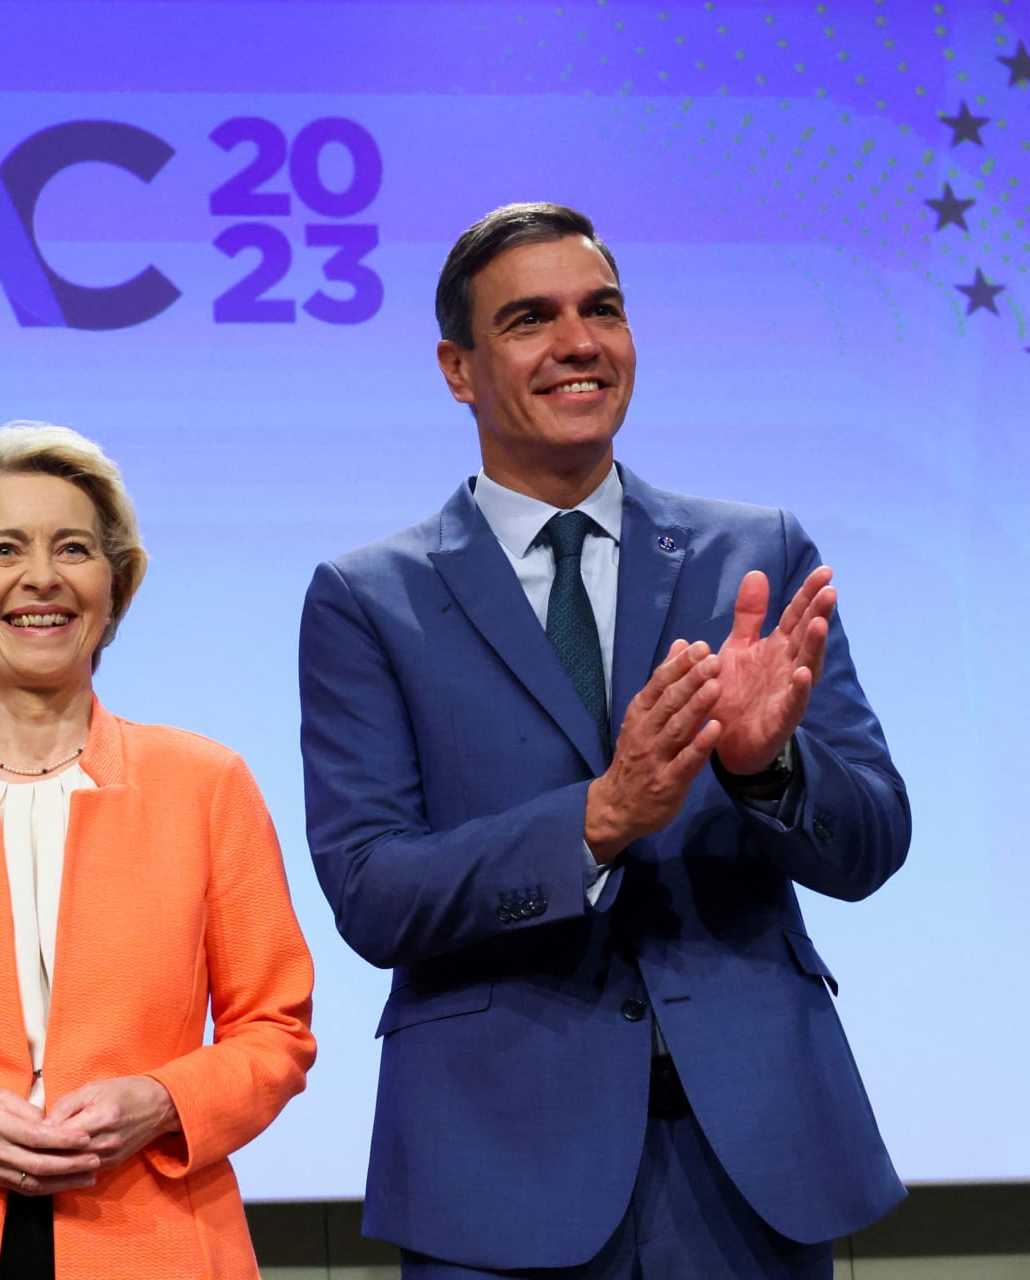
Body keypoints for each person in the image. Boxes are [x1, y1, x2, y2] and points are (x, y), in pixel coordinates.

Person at [298, 204, 908, 1278]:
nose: (579, 343)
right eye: (530, 318)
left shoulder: (754, 554)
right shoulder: (368, 598)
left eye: (604, 310)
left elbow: (870, 844)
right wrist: (597, 819)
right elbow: (374, 891)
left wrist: (767, 769)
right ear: (457, 368)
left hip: (750, 1167)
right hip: (498, 1167)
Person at [0, 423, 315, 1279]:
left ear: (113, 587)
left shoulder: (207, 783)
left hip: (160, 1240)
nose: (43, 577)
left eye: (73, 549)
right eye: (4, 549)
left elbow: (275, 1030)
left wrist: (163, 1100)